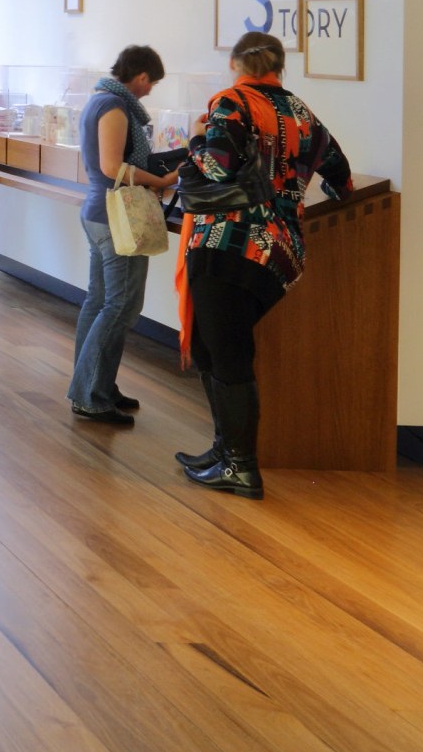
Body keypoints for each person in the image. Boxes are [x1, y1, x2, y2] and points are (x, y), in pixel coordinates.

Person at [174, 31, 352, 500]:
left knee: (226, 354)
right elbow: (341, 177)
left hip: (225, 242)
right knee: (216, 349)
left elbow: (214, 167)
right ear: (279, 65)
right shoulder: (300, 111)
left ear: (235, 62)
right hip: (279, 253)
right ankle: (223, 451)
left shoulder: (230, 103)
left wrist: (195, 136)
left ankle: (241, 466)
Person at [68, 46, 188, 424]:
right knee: (121, 306)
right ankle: (90, 394)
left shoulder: (99, 100)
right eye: (151, 81)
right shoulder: (115, 108)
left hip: (99, 213)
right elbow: (112, 166)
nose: (151, 90)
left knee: (101, 302)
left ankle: (97, 385)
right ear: (139, 76)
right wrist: (165, 180)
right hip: (116, 216)